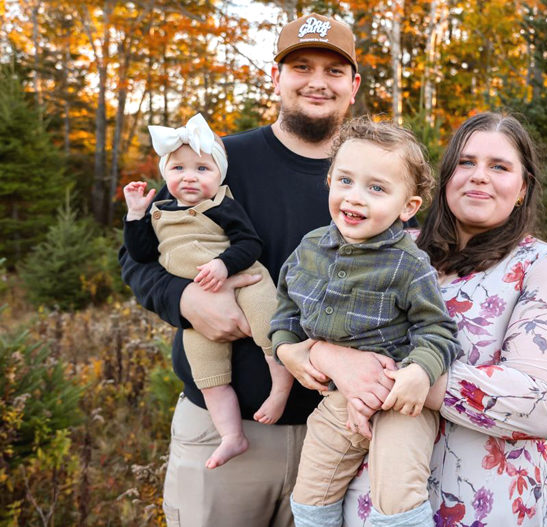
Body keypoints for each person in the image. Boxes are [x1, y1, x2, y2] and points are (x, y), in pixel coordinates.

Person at [119, 12, 394, 527]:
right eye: (302, 67)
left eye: (334, 71)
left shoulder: (376, 176)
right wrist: (186, 300)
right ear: (276, 77)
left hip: (341, 435)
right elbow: (137, 257)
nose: (317, 82)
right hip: (227, 431)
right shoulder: (216, 161)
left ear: (353, 86)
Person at [291, 112, 547, 526]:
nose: (479, 176)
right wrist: (326, 356)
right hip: (367, 503)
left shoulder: (546, 269)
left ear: (522, 187)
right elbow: (316, 313)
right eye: (466, 162)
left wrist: (415, 376)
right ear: (446, 175)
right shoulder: (391, 246)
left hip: (483, 507)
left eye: (499, 167)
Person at [271, 118, 459, 527]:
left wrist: (419, 373)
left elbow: (439, 330)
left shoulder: (409, 265)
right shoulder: (310, 248)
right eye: (345, 181)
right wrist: (288, 347)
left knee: (395, 497)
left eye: (376, 188)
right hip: (339, 397)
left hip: (399, 400)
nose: (355, 198)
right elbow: (285, 306)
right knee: (309, 495)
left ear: (407, 206)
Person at [122, 113, 294, 470]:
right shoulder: (159, 211)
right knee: (209, 376)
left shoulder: (221, 204)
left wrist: (223, 264)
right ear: (167, 175)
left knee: (270, 332)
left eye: (202, 169)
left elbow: (250, 243)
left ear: (219, 176)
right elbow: (139, 256)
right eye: (179, 169)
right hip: (197, 312)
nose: (190, 177)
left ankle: (279, 390)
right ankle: (231, 435)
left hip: (246, 278)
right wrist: (135, 216)